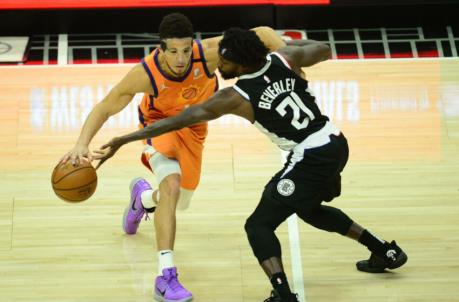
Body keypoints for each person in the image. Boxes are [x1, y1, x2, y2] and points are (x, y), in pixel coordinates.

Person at [93, 28, 408, 302]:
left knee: (258, 225)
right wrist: (290, 48)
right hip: (336, 142)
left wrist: (123, 139)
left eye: (226, 62)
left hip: (309, 158)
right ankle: (384, 250)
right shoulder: (286, 58)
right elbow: (323, 48)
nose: (221, 67)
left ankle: (283, 294)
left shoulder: (236, 96)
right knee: (309, 209)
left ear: (241, 63)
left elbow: (182, 119)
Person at [60, 14, 287, 302]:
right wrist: (82, 143)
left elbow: (265, 33)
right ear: (161, 48)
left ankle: (142, 199)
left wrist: (289, 66)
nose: (180, 59)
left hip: (194, 128)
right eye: (172, 51)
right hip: (158, 125)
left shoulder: (209, 54)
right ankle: (165, 277)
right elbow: (106, 105)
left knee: (180, 199)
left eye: (184, 50)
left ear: (192, 45)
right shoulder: (146, 73)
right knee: (171, 185)